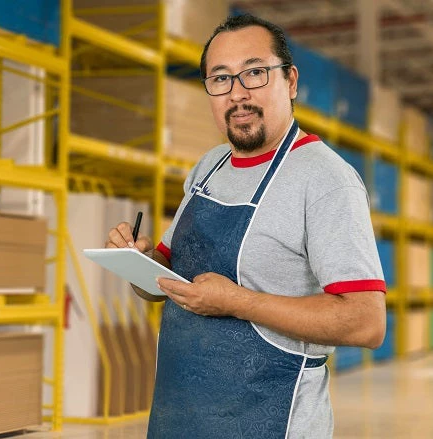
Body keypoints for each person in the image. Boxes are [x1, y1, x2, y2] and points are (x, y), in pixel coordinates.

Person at [105, 13, 386, 439]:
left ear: (290, 81)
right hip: (179, 419)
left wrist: (237, 301)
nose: (237, 93)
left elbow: (366, 322)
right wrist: (136, 262)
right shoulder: (208, 166)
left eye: (254, 73)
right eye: (220, 79)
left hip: (272, 424)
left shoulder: (324, 178)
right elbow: (159, 284)